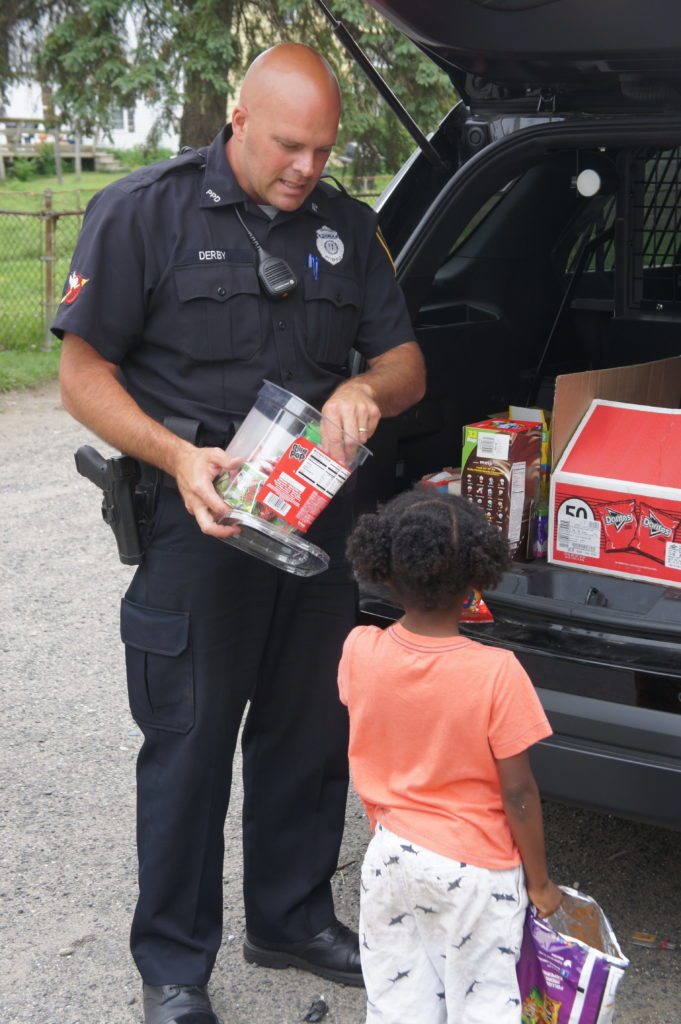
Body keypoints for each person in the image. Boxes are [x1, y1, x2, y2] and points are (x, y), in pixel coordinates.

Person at [52, 43, 425, 1024]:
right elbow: (82, 374)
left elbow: (406, 364)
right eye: (291, 146)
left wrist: (362, 387)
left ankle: (292, 916)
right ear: (239, 119)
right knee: (188, 745)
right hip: (198, 524)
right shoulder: (144, 213)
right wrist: (176, 454)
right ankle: (174, 966)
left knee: (310, 735)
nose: (308, 167)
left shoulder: (348, 226)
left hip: (316, 531)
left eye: (325, 150)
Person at [338, 488, 562, 1024]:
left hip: (391, 856)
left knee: (398, 1001)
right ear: (476, 584)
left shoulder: (359, 649)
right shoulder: (496, 672)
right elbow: (518, 792)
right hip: (477, 873)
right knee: (486, 1004)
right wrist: (539, 881)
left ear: (385, 574)